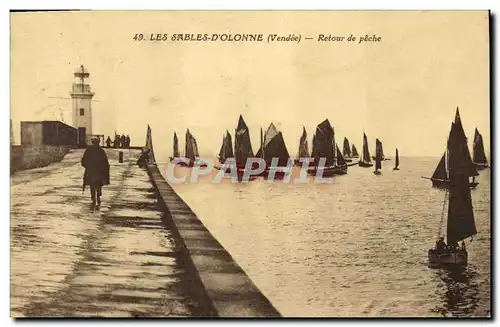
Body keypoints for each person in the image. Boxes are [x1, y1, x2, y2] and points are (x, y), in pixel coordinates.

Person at [81, 137, 110, 206]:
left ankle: (93, 197)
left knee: (92, 184)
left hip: (91, 170)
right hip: (99, 171)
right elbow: (105, 161)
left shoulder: (88, 150)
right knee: (98, 183)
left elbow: (84, 160)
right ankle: (98, 195)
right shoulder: (101, 151)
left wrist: (86, 166)